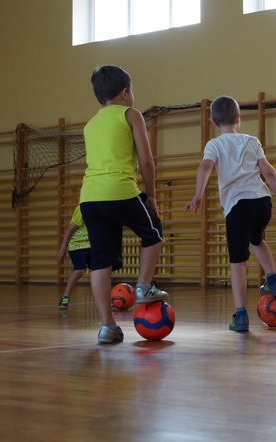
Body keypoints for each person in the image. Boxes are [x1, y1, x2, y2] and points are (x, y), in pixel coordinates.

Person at [185, 95, 276, 332]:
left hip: (238, 205)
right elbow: (267, 170)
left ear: (213, 123)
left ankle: (241, 315)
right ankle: (272, 278)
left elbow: (206, 166)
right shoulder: (251, 140)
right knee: (256, 240)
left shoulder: (214, 144)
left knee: (238, 263)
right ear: (239, 118)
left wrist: (198, 194)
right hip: (262, 201)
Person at [80, 65, 169, 344]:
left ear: (99, 98)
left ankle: (107, 328)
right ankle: (143, 287)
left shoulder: (90, 124)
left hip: (89, 198)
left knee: (100, 262)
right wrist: (151, 196)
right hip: (119, 190)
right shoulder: (131, 114)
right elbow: (146, 160)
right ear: (126, 92)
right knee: (153, 233)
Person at [56, 205, 91, 309]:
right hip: (77, 245)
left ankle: (104, 299)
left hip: (92, 245)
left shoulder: (101, 208)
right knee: (79, 270)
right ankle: (65, 296)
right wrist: (63, 248)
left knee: (99, 271)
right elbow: (70, 229)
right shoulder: (82, 208)